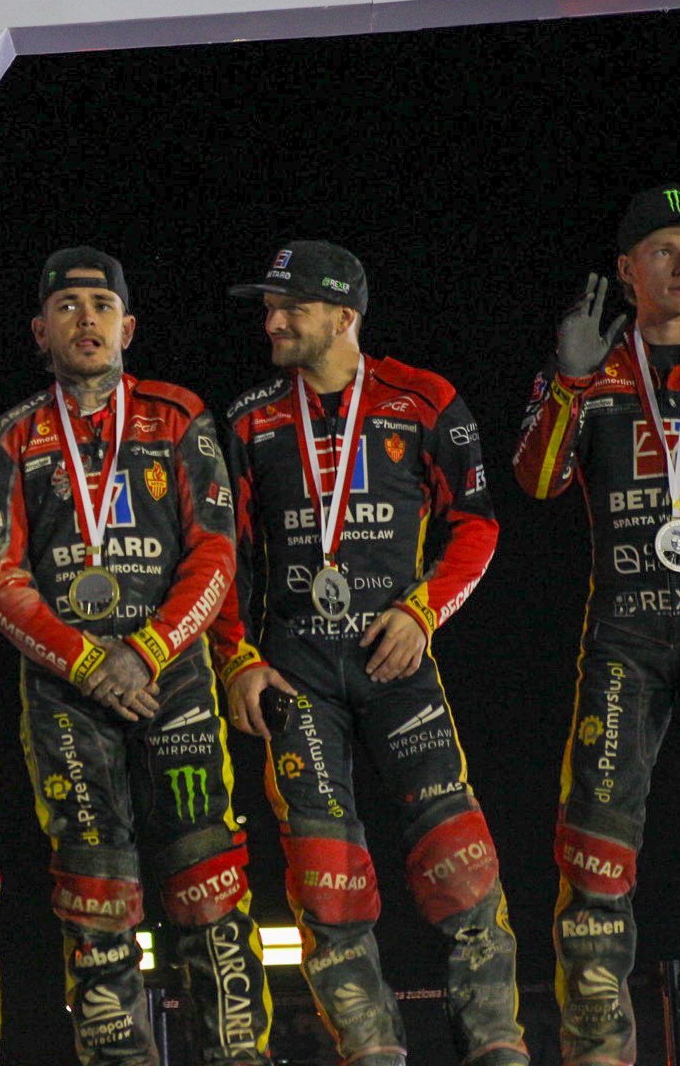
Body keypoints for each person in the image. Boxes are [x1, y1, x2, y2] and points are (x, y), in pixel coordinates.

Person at [209, 241, 526, 1066]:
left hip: (397, 660)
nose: (273, 323)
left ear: (344, 317)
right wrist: (236, 658)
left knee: (459, 859)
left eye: (291, 308)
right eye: (268, 308)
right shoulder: (248, 418)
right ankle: (370, 1050)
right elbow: (222, 556)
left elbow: (477, 525)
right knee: (324, 874)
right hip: (296, 672)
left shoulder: (426, 400)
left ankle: (496, 1043)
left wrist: (423, 610)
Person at [0, 248, 270, 1066]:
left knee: (207, 878)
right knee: (93, 892)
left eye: (102, 305)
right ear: (40, 330)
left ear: (128, 327)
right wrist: (85, 662)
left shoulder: (178, 415)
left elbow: (215, 552)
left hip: (171, 676)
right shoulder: (11, 435)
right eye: (67, 306)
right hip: (66, 691)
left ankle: (236, 1055)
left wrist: (146, 650)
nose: (87, 320)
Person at [513, 185, 680, 1066]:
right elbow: (537, 480)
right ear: (627, 271)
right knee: (594, 852)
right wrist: (568, 381)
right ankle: (598, 1048)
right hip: (624, 640)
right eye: (665, 250)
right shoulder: (593, 365)